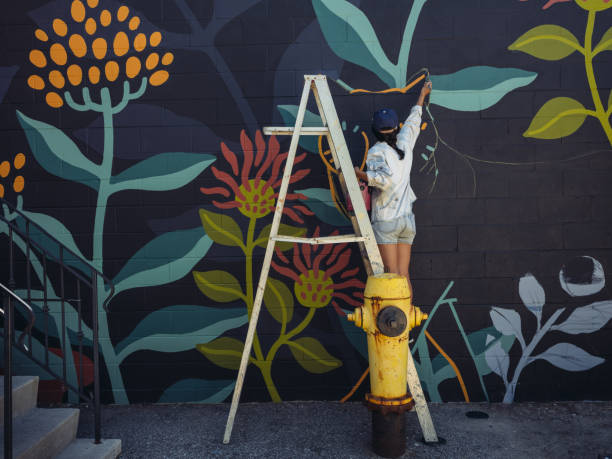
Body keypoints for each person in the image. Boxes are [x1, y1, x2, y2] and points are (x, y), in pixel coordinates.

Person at [354, 80, 432, 296]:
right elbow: (413, 122)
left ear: (375, 132)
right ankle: (407, 323)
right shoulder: (405, 143)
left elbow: (383, 180)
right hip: (407, 220)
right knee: (404, 274)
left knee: (392, 273)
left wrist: (359, 174)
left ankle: (395, 327)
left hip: (387, 220)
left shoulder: (377, 151)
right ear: (396, 127)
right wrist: (422, 95)